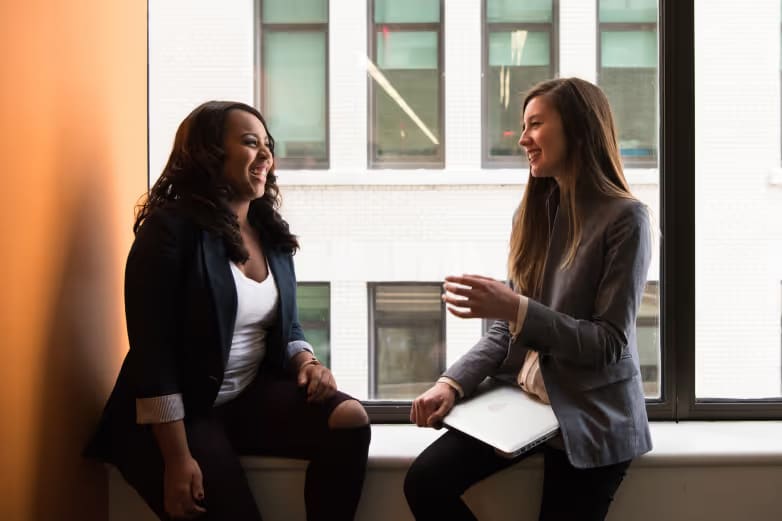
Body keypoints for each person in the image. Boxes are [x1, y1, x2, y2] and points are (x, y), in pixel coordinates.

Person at [84, 101, 370, 521]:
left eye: (268, 146)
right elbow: (154, 354)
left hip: (242, 397)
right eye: (250, 143)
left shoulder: (268, 231)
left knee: (350, 419)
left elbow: (285, 324)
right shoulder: (169, 231)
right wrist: (177, 461)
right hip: (178, 415)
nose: (266, 156)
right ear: (209, 154)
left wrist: (307, 360)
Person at [404, 77, 653, 521]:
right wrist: (452, 383)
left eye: (535, 124)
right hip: (527, 406)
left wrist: (515, 308)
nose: (522, 139)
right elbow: (507, 329)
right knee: (424, 482)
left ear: (578, 128)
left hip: (592, 415)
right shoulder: (534, 212)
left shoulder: (626, 219)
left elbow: (609, 343)